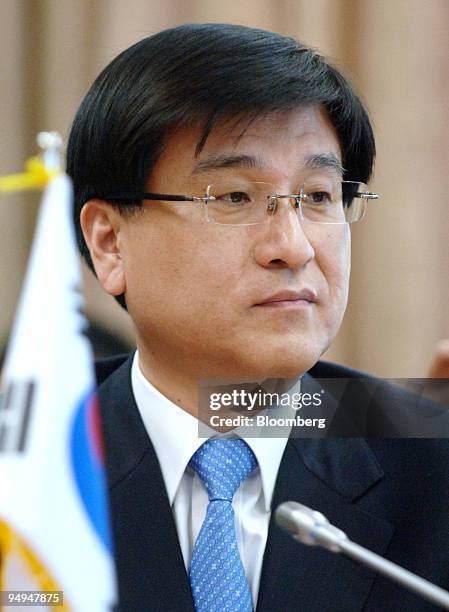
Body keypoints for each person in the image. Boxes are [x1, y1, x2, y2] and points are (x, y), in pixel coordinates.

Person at [67, 23, 449, 612]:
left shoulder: (428, 460)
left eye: (319, 197)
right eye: (234, 198)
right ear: (111, 243)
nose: (293, 247)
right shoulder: (29, 464)